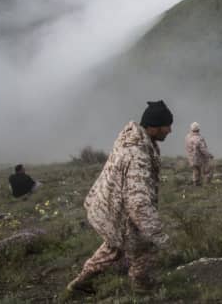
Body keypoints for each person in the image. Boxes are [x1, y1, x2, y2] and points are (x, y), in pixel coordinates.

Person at [67, 101, 173, 294]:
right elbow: (138, 203)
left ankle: (81, 282)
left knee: (113, 248)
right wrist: (159, 236)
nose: (170, 130)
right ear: (154, 126)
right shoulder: (137, 156)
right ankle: (143, 290)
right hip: (122, 213)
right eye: (167, 125)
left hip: (110, 207)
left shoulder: (132, 139)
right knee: (143, 251)